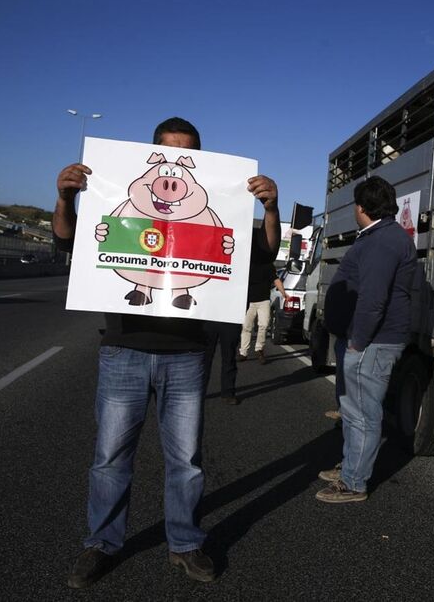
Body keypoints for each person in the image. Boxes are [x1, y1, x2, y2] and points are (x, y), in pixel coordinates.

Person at [53, 116, 280, 587]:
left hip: (187, 355)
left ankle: (185, 542)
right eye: (169, 151)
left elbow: (265, 250)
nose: (177, 163)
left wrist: (271, 209)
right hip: (123, 350)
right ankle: (101, 543)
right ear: (151, 154)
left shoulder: (220, 204)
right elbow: (66, 237)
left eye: (188, 154)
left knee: (187, 462)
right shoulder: (118, 198)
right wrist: (65, 197)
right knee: (110, 458)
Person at [315, 175, 415, 503]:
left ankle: (354, 482)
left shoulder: (383, 241)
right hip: (368, 338)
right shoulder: (378, 236)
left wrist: (358, 340)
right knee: (354, 408)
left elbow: (373, 298)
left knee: (362, 412)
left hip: (373, 340)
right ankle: (351, 466)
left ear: (361, 207)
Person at [203, 234, 282, 404]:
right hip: (211, 311)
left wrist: (283, 291)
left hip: (232, 311)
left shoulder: (245, 263)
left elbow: (274, 276)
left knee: (228, 355)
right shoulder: (219, 258)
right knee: (208, 356)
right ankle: (200, 391)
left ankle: (227, 392)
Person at [237, 260, 277, 365]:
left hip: (264, 301)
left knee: (263, 325)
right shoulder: (246, 263)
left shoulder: (268, 264)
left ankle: (259, 349)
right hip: (249, 301)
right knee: (246, 327)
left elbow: (275, 279)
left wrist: (284, 293)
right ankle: (243, 352)